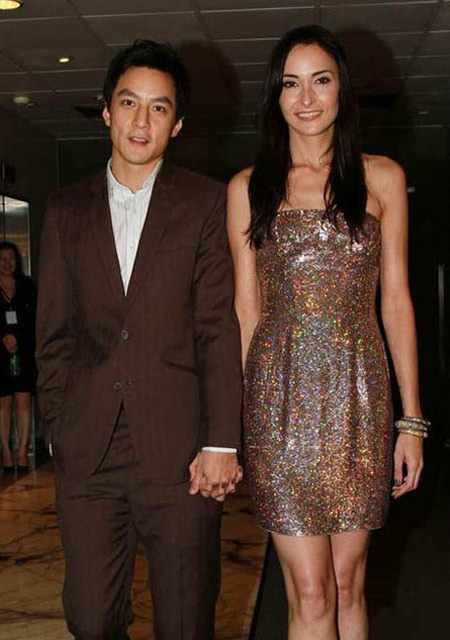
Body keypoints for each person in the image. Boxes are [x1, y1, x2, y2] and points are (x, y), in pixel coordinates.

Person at [36, 40, 242, 640]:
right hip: (89, 454)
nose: (141, 121)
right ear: (106, 110)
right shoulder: (65, 210)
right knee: (91, 619)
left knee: (184, 621)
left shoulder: (205, 203)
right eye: (129, 103)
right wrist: (59, 426)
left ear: (176, 124)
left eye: (158, 108)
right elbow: (53, 334)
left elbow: (217, 327)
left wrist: (221, 440)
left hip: (181, 455)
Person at [227, 25, 427, 640]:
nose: (306, 98)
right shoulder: (248, 188)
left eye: (321, 80)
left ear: (342, 90)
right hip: (279, 406)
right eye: (291, 83)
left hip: (359, 403)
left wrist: (412, 421)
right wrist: (242, 421)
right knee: (311, 590)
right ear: (275, 95)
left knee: (348, 581)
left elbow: (396, 302)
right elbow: (246, 310)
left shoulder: (382, 178)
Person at [0, 241, 36, 471]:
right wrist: (3, 338)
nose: (7, 263)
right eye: (2, 259)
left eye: (11, 258)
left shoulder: (27, 287)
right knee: (3, 403)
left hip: (24, 352)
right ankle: (5, 450)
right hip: (0, 354)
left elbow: (35, 320)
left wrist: (18, 340)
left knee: (23, 401)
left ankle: (23, 450)